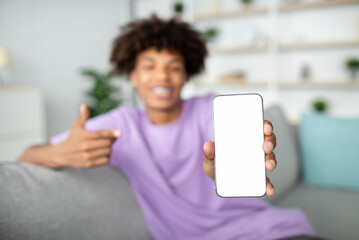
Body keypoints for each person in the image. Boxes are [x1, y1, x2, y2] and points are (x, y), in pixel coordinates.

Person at [18, 15, 323, 240]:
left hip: (271, 230)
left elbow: (220, 140)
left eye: (174, 67)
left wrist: (222, 163)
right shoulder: (121, 125)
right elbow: (27, 155)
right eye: (149, 66)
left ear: (186, 75)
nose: (162, 77)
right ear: (133, 76)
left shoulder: (208, 108)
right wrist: (60, 154)